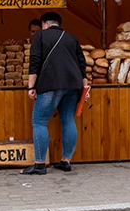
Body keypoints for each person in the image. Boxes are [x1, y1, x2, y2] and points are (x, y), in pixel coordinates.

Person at [23, 11, 89, 175]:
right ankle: (66, 161)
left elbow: (35, 61)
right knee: (68, 120)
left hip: (50, 83)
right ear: (58, 23)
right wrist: (85, 89)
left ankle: (39, 164)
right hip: (73, 85)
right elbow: (82, 65)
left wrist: (31, 87)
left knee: (39, 121)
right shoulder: (72, 38)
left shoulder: (41, 36)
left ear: (45, 23)